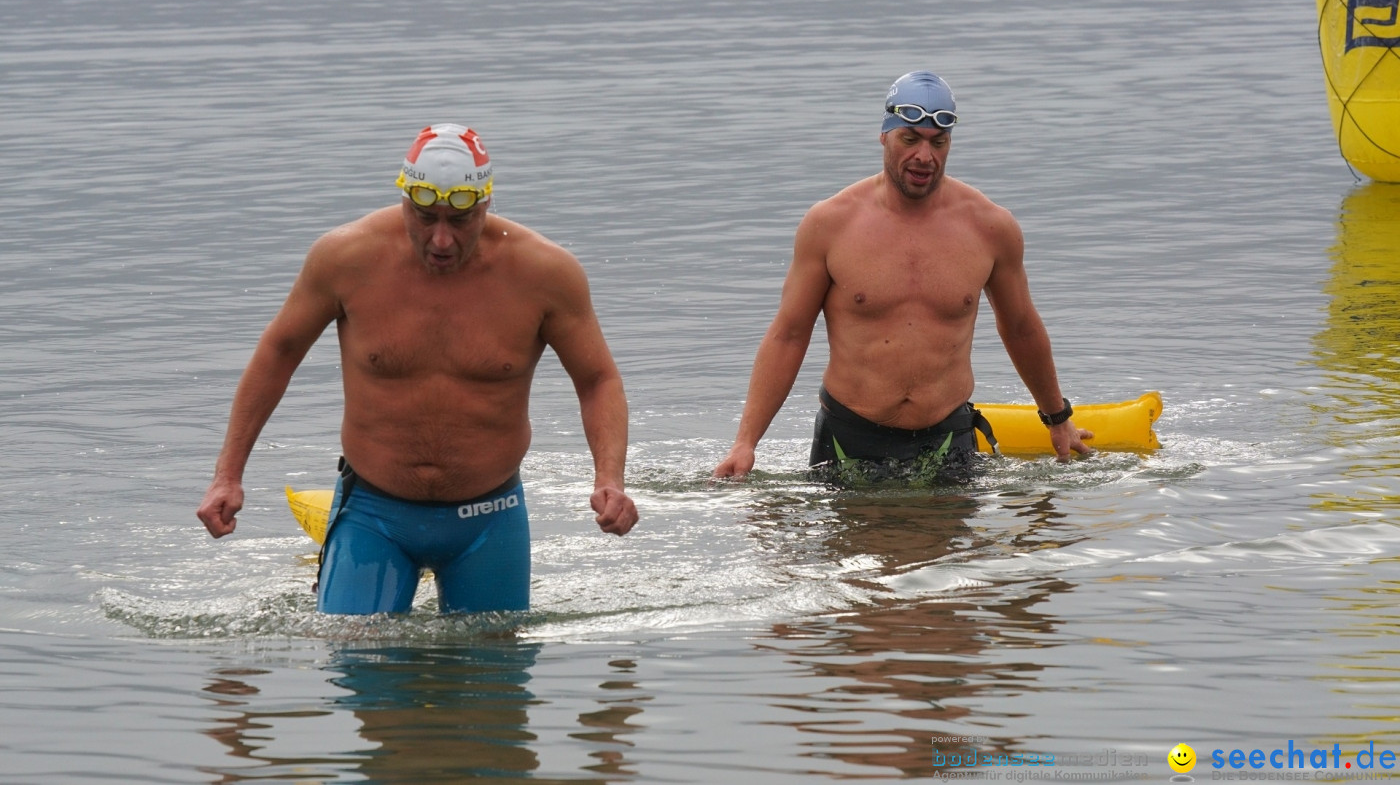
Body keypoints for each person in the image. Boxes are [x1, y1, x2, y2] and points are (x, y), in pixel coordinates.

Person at [197, 123, 637, 614]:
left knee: (493, 678)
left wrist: (610, 478)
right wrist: (228, 475)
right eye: (425, 217)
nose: (442, 239)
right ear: (404, 199)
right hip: (373, 514)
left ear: (487, 202)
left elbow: (597, 379)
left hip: (489, 516)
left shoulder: (544, 273)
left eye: (460, 219)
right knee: (360, 668)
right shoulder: (346, 258)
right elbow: (278, 354)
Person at [714, 72, 1091, 481]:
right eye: (910, 139)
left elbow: (1020, 327)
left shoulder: (990, 227)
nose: (925, 157)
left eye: (938, 142)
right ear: (884, 137)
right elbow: (788, 334)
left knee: (954, 548)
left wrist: (1057, 418)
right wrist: (745, 442)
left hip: (948, 439)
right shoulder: (830, 224)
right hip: (849, 441)